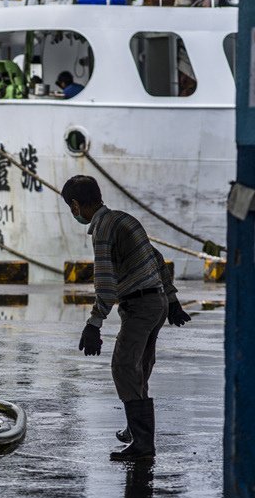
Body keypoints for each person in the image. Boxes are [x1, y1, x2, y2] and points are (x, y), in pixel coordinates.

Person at [61, 175, 192, 461]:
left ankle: (143, 443)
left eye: (72, 208)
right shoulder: (124, 219)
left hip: (140, 306)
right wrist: (171, 300)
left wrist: (94, 323)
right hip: (155, 301)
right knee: (140, 365)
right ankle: (135, 430)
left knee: (123, 365)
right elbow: (156, 259)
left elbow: (105, 281)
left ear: (75, 205)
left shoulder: (103, 229)